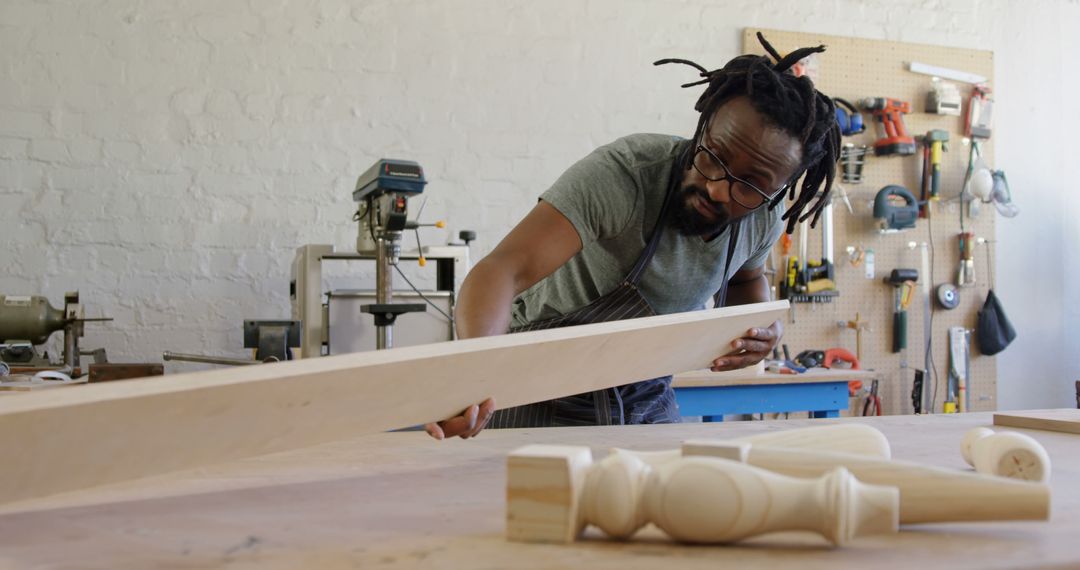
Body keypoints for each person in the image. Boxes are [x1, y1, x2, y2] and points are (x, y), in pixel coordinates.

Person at [426, 33, 841, 440]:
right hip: (537, 392)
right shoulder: (627, 175)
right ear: (702, 127)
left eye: (749, 185)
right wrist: (474, 375)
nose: (717, 187)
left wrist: (762, 327)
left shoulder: (762, 217)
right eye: (713, 155)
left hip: (645, 397)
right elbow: (504, 269)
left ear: (779, 190)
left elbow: (746, 280)